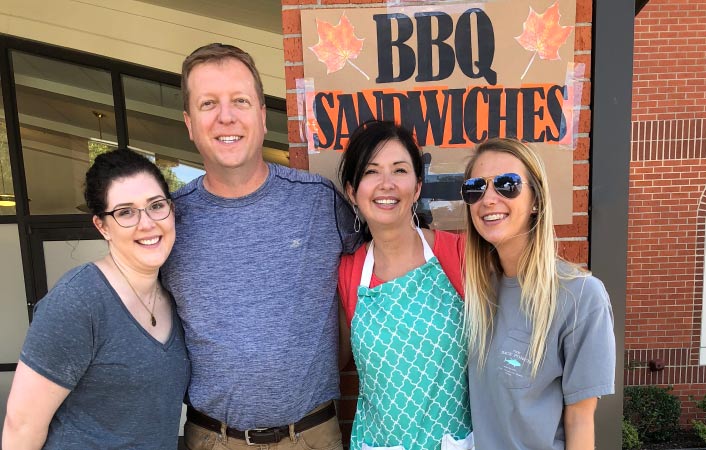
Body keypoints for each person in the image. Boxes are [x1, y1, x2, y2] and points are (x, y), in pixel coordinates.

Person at [159, 43, 358, 450]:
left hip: (312, 436)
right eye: (208, 103)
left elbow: (379, 269)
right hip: (213, 439)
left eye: (240, 101)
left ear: (263, 117)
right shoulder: (168, 223)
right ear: (189, 123)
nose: (226, 116)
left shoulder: (319, 202)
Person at [2, 148, 189, 450]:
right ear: (102, 226)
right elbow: (21, 426)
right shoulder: (79, 302)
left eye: (156, 205)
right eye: (125, 212)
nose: (147, 223)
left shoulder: (175, 294)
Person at [460, 138, 616, 450]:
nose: (488, 198)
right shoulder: (480, 292)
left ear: (535, 200)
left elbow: (581, 421)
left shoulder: (581, 296)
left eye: (507, 184)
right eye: (476, 187)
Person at [337, 120, 473, 450]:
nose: (386, 184)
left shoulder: (458, 255)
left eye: (399, 170)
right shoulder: (348, 272)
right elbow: (334, 363)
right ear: (352, 192)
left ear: (416, 188)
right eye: (371, 172)